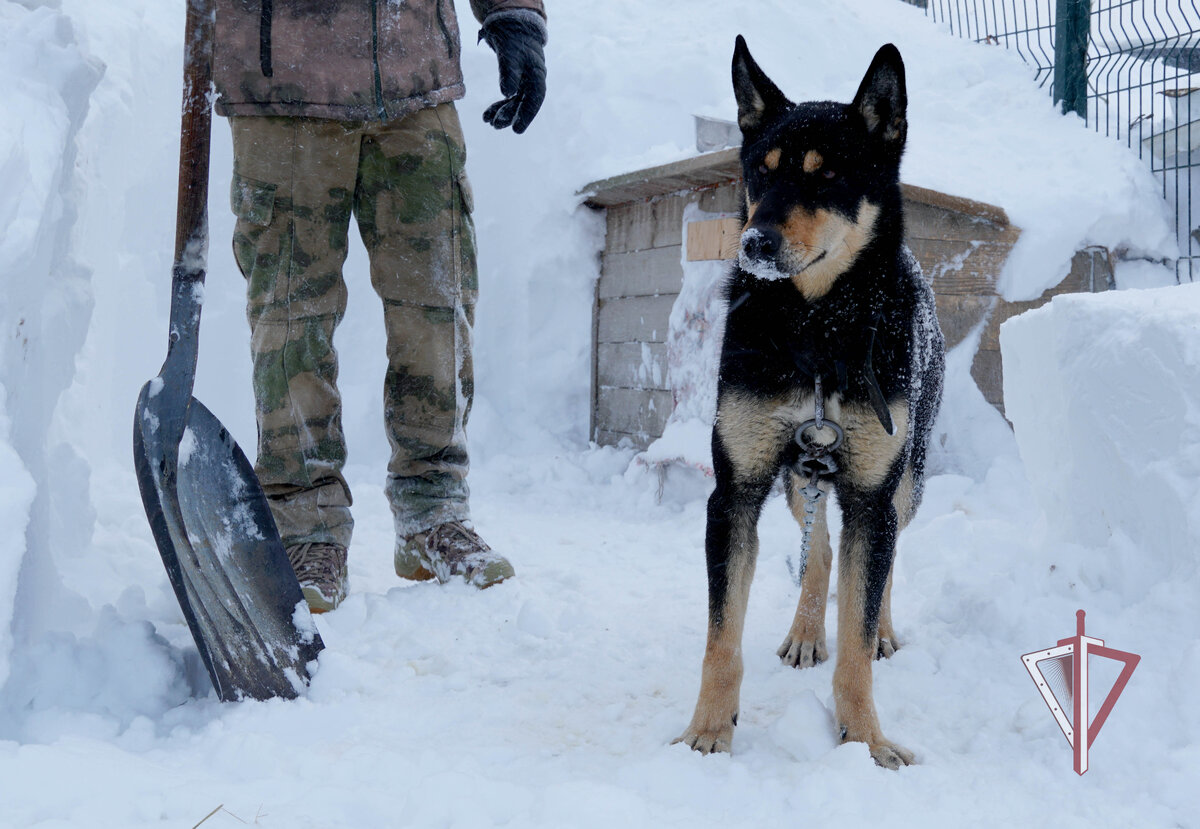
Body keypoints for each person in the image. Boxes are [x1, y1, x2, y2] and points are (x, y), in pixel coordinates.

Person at [210, 0, 548, 612]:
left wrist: (515, 15)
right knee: (291, 317)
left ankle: (432, 512)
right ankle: (304, 524)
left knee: (438, 303)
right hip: (281, 79)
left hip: (413, 77)